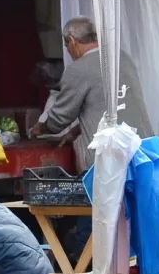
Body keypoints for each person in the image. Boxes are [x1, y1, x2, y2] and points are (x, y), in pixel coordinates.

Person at [33, 16, 149, 169]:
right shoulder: (122, 57)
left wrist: (40, 127)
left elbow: (59, 119)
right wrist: (75, 131)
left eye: (66, 45)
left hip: (112, 160)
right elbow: (109, 106)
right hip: (144, 150)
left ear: (72, 41)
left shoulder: (78, 69)